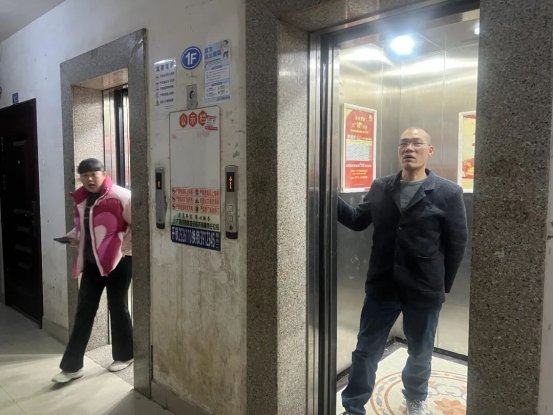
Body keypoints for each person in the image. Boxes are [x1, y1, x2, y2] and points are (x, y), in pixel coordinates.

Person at [338, 127, 468, 415]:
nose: (409, 148)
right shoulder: (381, 187)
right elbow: (358, 220)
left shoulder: (448, 193)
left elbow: (457, 243)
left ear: (429, 151)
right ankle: (353, 406)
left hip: (424, 289)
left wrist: (441, 286)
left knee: (420, 352)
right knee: (365, 350)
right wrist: (325, 195)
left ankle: (415, 397)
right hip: (382, 286)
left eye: (416, 143)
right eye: (404, 144)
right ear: (399, 151)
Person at [52, 158, 133, 383]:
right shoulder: (82, 198)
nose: (89, 179)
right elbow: (86, 228)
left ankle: (125, 355)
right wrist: (74, 236)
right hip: (91, 263)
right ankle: (72, 367)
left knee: (118, 306)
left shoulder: (121, 196)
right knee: (84, 310)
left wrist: (123, 249)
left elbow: (137, 226)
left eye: (93, 174)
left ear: (103, 173)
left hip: (119, 262)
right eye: (84, 175)